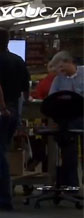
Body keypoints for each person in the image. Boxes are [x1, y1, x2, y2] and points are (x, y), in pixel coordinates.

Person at [0, 27, 30, 211]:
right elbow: (26, 90)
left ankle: (3, 198)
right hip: (14, 110)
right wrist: (19, 108)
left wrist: (1, 108)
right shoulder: (18, 60)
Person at [47, 51, 83, 188]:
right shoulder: (58, 80)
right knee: (69, 154)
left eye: (62, 68)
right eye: (59, 70)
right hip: (68, 120)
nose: (61, 72)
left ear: (69, 62)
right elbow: (51, 99)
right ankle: (72, 185)